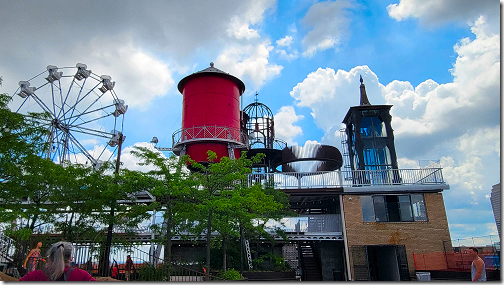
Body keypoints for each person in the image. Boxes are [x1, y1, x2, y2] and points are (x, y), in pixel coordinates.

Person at [19, 241, 96, 281]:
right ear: (70, 258)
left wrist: (25, 264)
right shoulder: (82, 276)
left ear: (49, 257)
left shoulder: (33, 276)